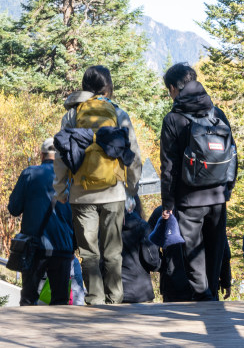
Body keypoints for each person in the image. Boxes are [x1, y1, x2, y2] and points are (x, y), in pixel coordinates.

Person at [53, 65, 143, 305]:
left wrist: (60, 190)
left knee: (89, 253)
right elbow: (132, 153)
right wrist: (132, 188)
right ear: (107, 87)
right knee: (113, 251)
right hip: (113, 191)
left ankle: (95, 300)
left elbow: (61, 156)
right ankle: (115, 300)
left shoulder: (71, 116)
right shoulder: (117, 112)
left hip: (81, 195)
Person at [159, 63, 235, 301]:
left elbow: (168, 166)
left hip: (188, 200)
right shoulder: (217, 114)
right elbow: (232, 154)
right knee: (215, 251)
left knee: (193, 256)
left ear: (173, 88)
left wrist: (167, 203)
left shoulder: (173, 119)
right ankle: (212, 304)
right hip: (217, 198)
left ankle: (203, 301)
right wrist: (227, 191)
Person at [8, 139, 76, 306]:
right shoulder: (71, 177)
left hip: (34, 248)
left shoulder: (29, 173)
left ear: (41, 154)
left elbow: (14, 208)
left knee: (28, 299)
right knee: (60, 300)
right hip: (63, 247)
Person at [148, 205, 232, 302]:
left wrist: (163, 266)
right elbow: (221, 247)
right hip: (205, 284)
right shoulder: (208, 211)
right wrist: (225, 280)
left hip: (174, 285)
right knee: (207, 314)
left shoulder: (163, 211)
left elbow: (149, 244)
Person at [120, 196, 160, 303]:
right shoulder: (142, 226)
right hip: (141, 292)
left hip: (115, 292)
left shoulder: (105, 228)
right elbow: (153, 262)